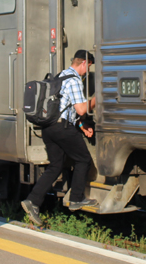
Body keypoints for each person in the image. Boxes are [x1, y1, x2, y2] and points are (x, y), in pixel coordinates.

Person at [20, 49, 97, 226]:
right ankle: (77, 198)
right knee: (83, 159)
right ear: (84, 63)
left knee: (55, 165)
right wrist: (97, 99)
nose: (87, 72)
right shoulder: (75, 80)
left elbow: (65, 109)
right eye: (88, 67)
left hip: (49, 128)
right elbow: (81, 110)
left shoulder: (60, 76)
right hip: (62, 128)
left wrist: (80, 125)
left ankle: (32, 201)